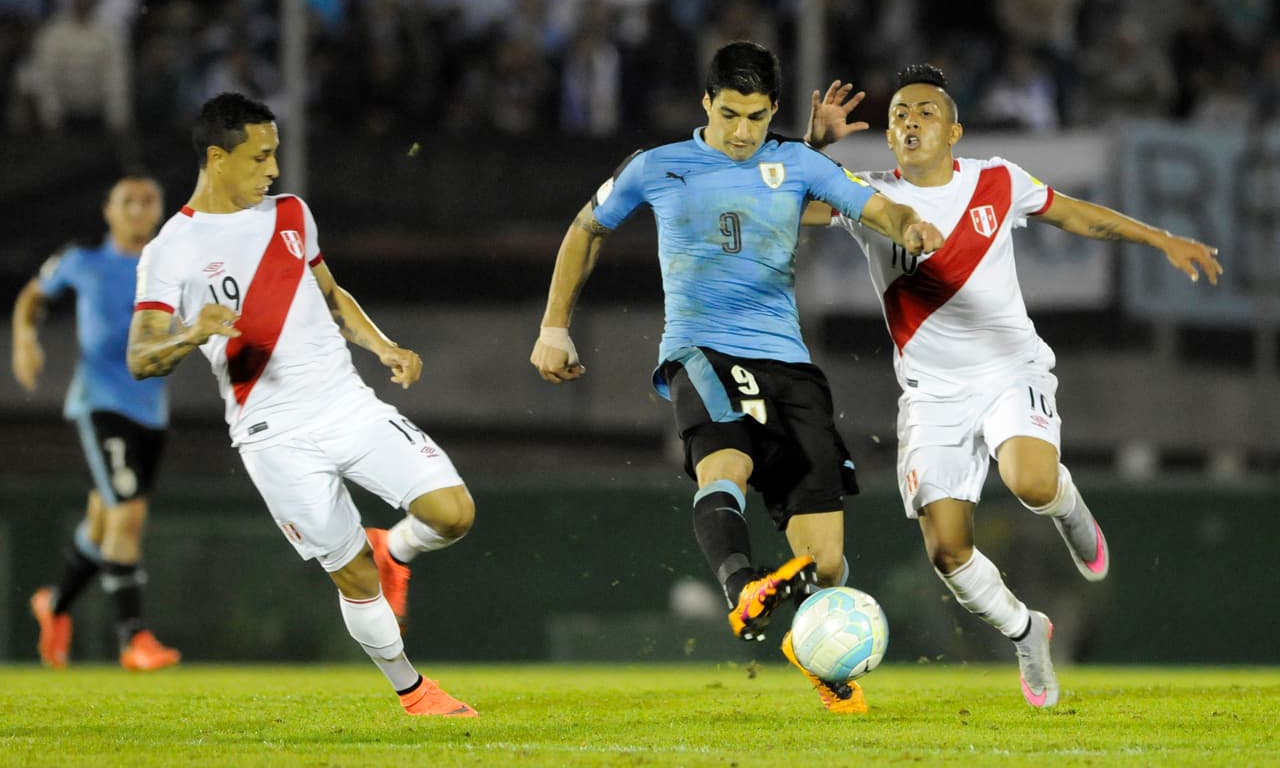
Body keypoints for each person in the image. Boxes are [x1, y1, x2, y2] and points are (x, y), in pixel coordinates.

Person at [530, 41, 944, 714]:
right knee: (724, 464)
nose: (743, 131)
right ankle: (741, 583)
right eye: (729, 115)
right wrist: (554, 327)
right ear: (706, 105)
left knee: (827, 566)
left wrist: (911, 225)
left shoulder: (796, 163)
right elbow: (586, 228)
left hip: (791, 365)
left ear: (773, 110)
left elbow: (872, 207)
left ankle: (804, 646)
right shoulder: (658, 166)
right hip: (703, 351)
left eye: (755, 117)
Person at [802, 63, 1223, 708]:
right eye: (899, 116)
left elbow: (1080, 218)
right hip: (931, 394)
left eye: (925, 113)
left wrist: (1160, 237)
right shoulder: (868, 197)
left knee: (1030, 482)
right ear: (888, 138)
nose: (910, 122)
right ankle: (1029, 634)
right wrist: (815, 151)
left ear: (954, 131)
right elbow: (788, 210)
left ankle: (1070, 509)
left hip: (1008, 371)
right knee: (947, 552)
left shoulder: (998, 181)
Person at [125, 92, 477, 717]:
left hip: (346, 403)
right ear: (217, 157)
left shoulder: (291, 214)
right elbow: (140, 356)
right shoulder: (170, 249)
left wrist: (384, 346)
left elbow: (330, 292)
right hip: (270, 434)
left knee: (453, 513)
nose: (273, 169)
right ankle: (413, 690)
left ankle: (396, 548)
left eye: (275, 153)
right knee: (353, 576)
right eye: (261, 157)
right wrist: (191, 331)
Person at [13, 176, 182, 671]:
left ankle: (55, 605)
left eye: (147, 200)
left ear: (159, 210)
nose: (137, 209)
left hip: (152, 410)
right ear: (108, 211)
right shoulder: (82, 262)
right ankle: (135, 638)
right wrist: (25, 339)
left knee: (104, 524)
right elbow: (32, 297)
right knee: (128, 514)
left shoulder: (169, 267)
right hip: (101, 403)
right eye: (126, 201)